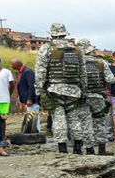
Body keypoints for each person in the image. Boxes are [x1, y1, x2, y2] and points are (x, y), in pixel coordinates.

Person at [36, 23, 88, 154]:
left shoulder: (47, 48)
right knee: (74, 118)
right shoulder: (78, 49)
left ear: (52, 34)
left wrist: (39, 90)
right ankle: (77, 147)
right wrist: (83, 90)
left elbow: (40, 71)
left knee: (58, 118)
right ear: (65, 33)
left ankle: (62, 148)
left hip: (54, 89)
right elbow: (83, 72)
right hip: (74, 89)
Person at [76, 39, 115, 155]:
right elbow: (111, 79)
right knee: (100, 123)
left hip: (82, 97)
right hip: (98, 96)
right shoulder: (100, 62)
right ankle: (102, 150)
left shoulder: (77, 62)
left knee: (85, 123)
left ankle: (89, 150)